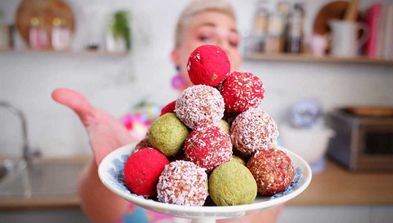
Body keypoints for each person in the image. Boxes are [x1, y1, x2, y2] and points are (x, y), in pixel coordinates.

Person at [52, 1, 283, 222]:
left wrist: (241, 194)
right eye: (205, 36)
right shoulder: (137, 124)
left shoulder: (264, 145)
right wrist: (104, 169)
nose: (222, 47)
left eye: (233, 41)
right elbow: (100, 215)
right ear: (176, 54)